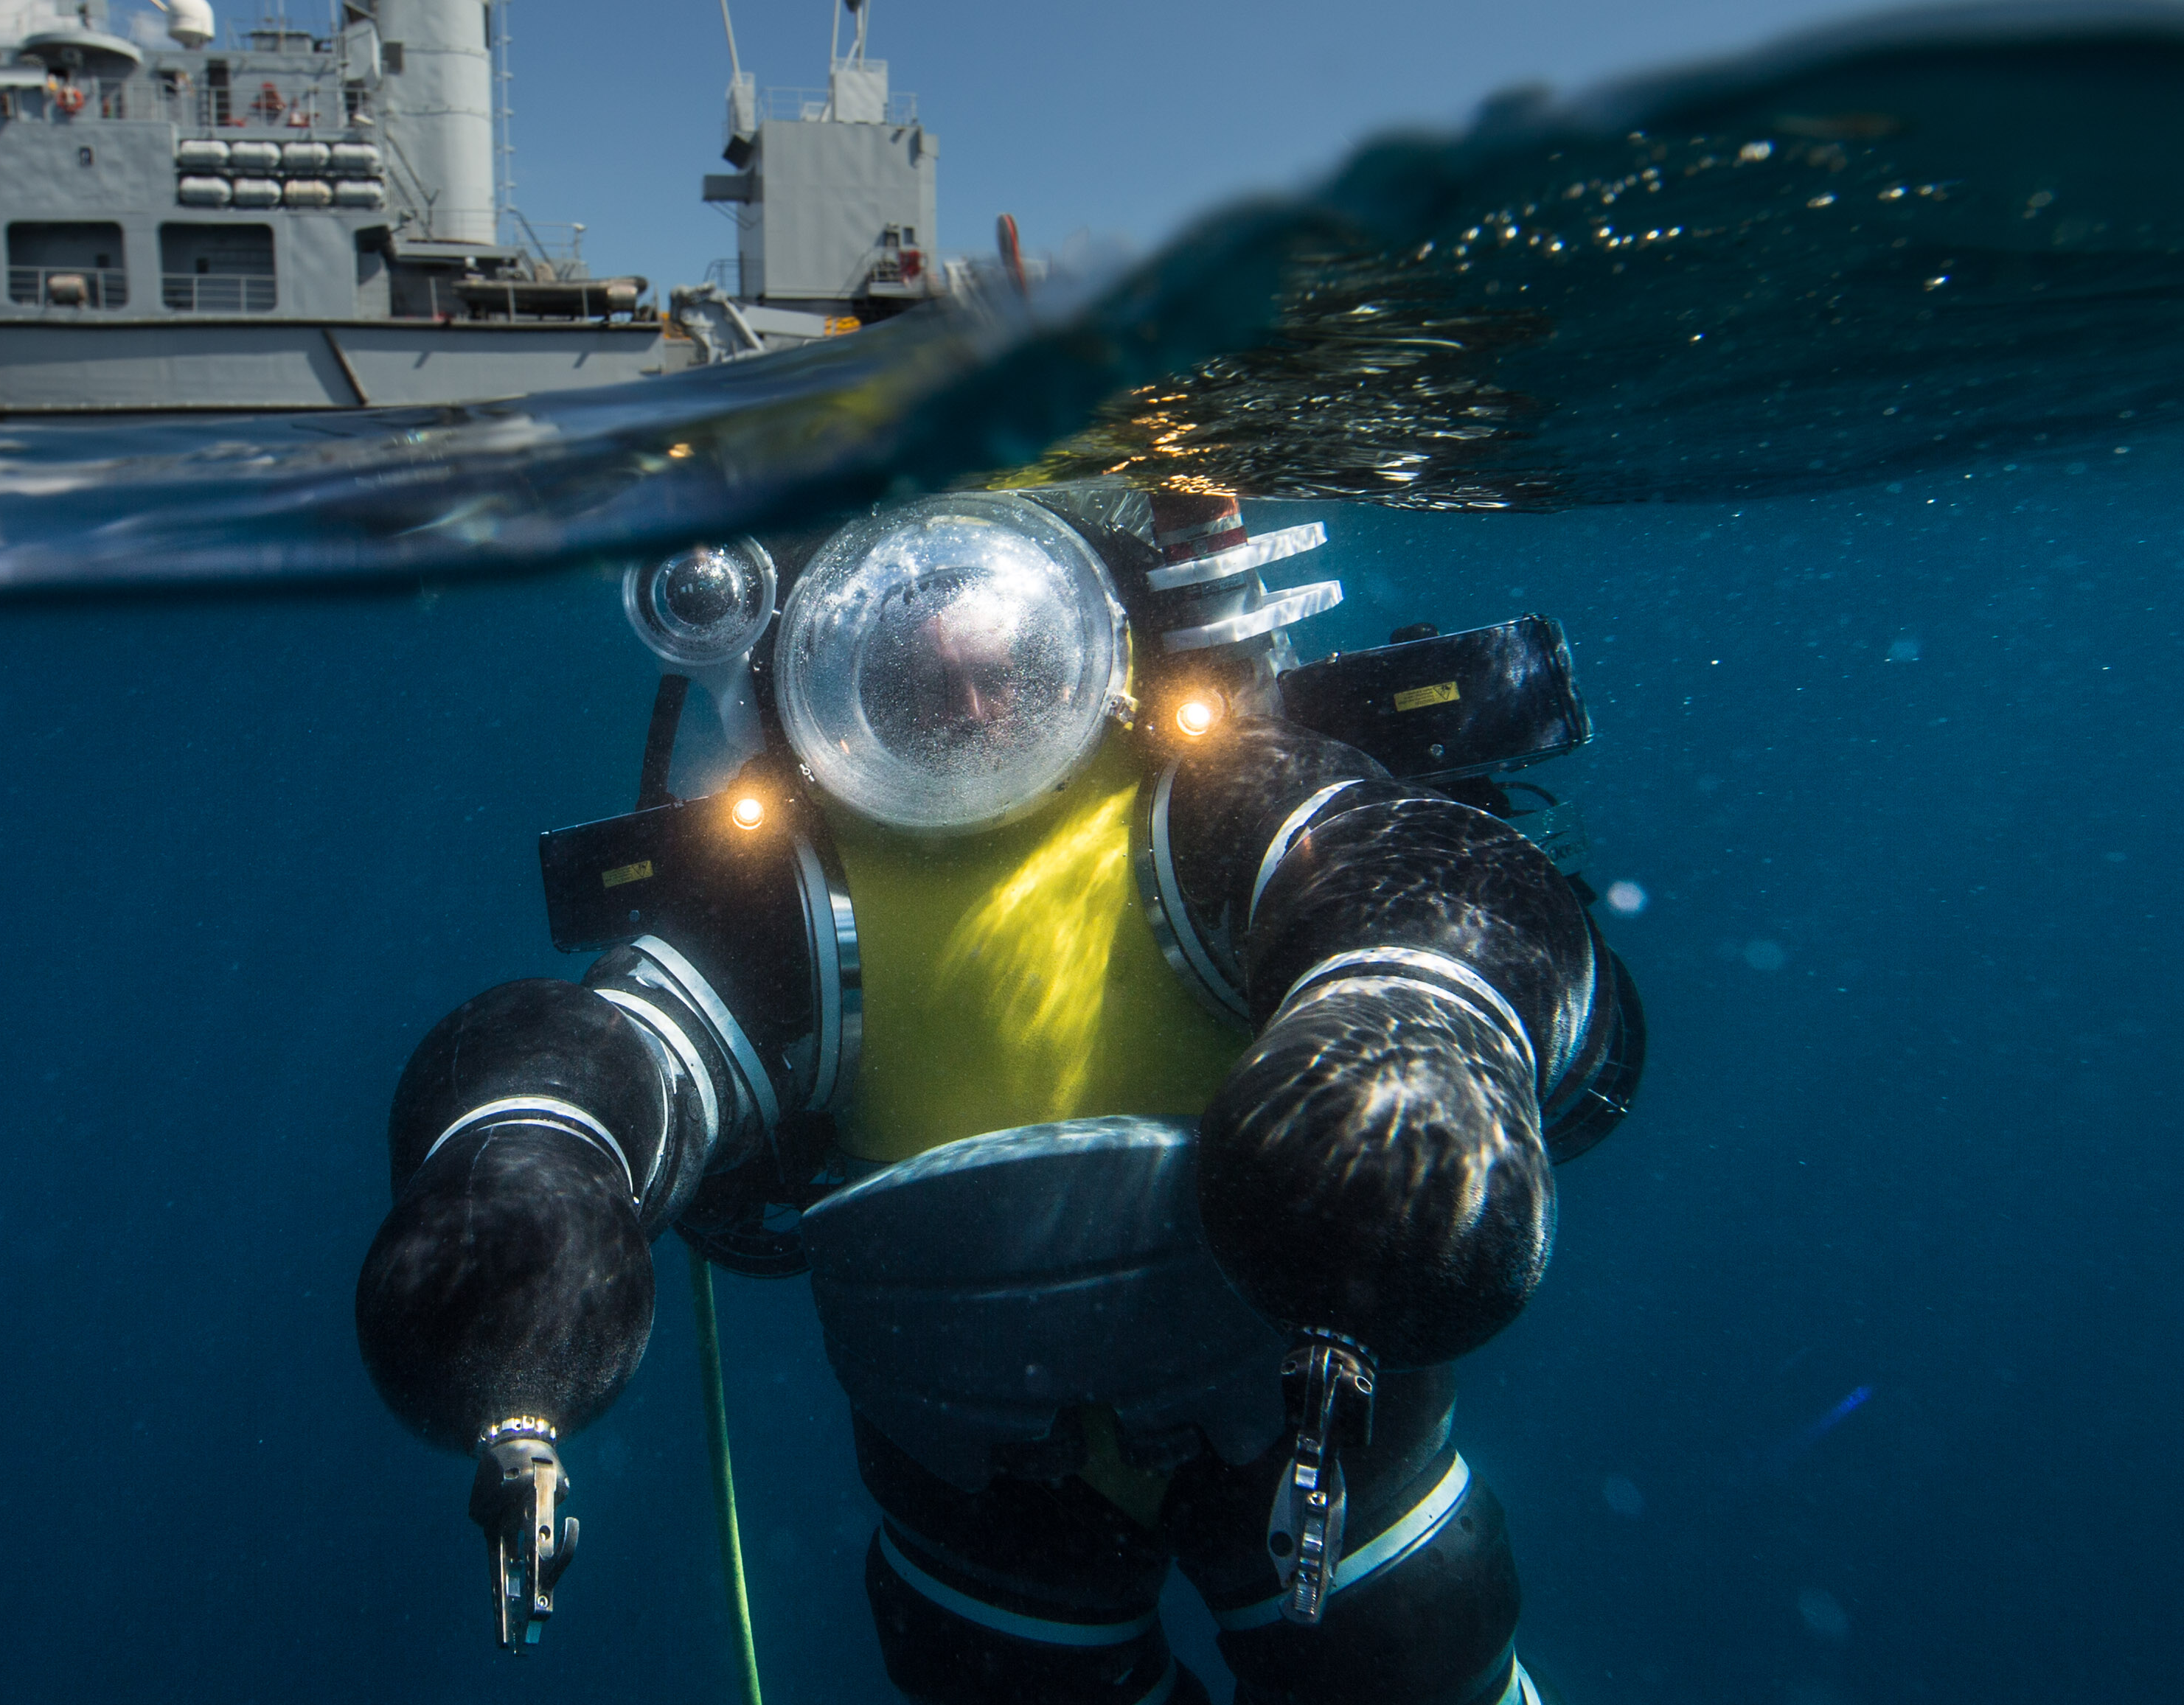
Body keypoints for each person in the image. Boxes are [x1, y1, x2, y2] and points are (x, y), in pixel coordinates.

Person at [354, 484, 1642, 1705]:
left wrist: (1413, 1021)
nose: (972, 709)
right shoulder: (788, 904)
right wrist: (525, 1174)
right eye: (918, 683)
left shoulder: (1204, 799)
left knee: (1417, 1675)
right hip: (977, 1488)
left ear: (1085, 639)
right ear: (823, 682)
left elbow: (1408, 885)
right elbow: (610, 1050)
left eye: (1005, 668)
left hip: (1303, 1417)